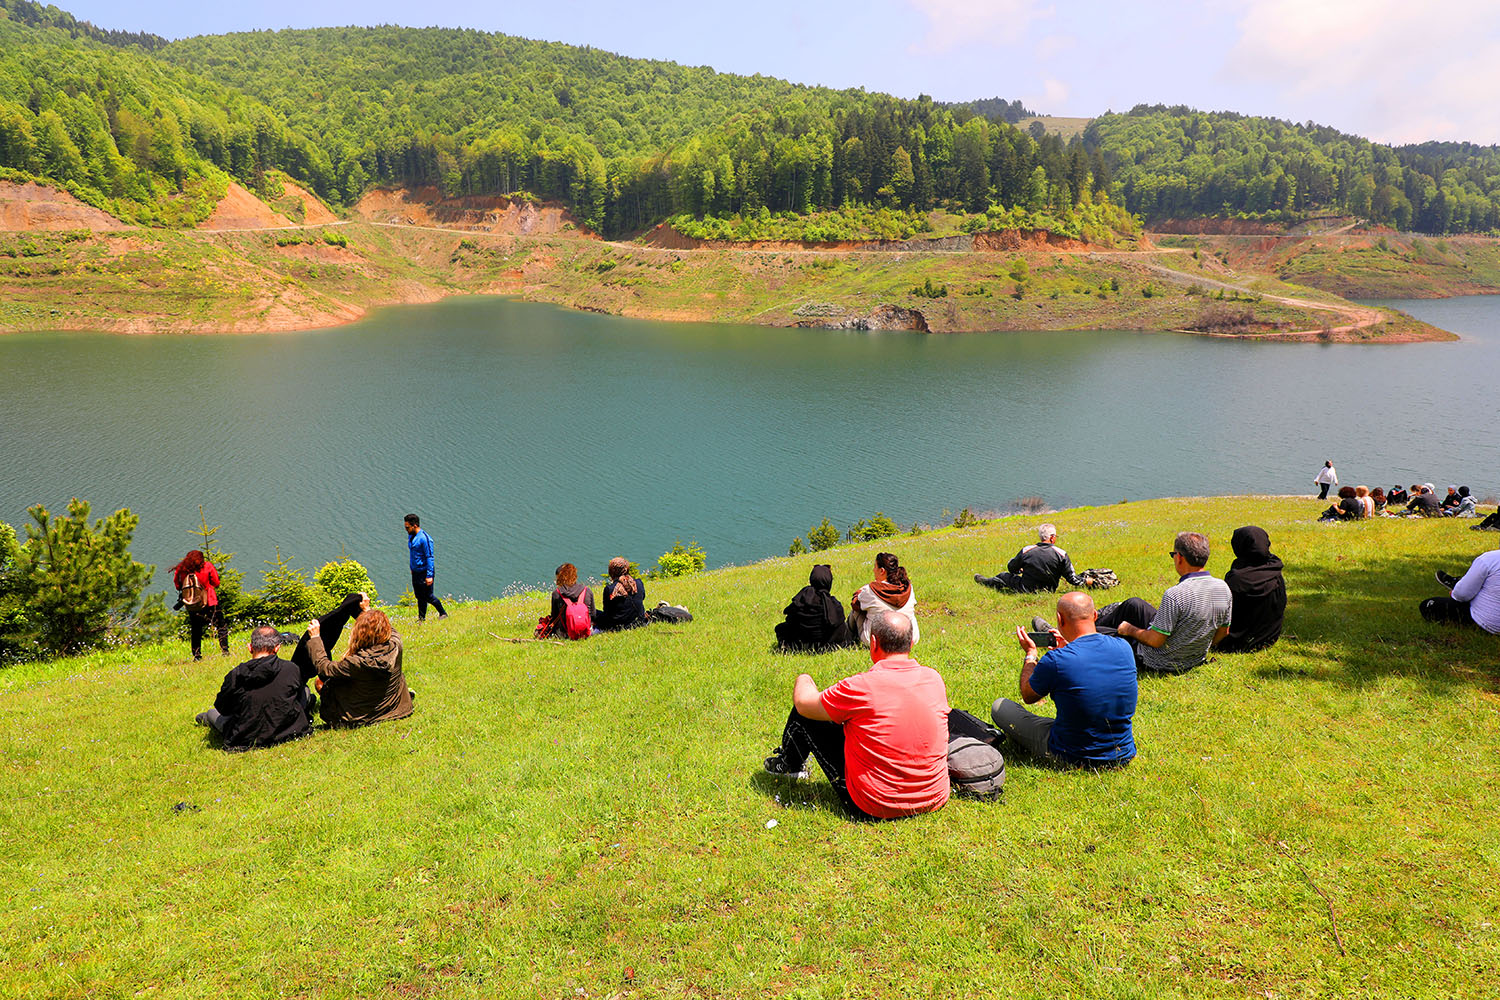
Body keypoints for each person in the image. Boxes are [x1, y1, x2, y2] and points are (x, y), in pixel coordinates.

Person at [763, 611, 950, 820]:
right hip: (934, 796)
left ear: (873, 642)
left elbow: (803, 705)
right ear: (911, 643)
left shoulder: (860, 687)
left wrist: (804, 678)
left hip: (874, 804)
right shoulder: (933, 679)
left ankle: (789, 765)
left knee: (806, 717)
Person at [991, 591, 1136, 768]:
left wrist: (1030, 656)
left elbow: (1028, 695)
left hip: (1072, 753)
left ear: (1060, 619)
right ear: (1095, 615)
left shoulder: (1057, 659)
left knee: (1000, 707)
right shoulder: (1124, 647)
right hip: (1122, 752)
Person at [1093, 531, 1232, 674]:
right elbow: (1223, 631)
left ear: (1179, 558)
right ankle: (1094, 619)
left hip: (1158, 661)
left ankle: (1083, 629)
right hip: (1194, 657)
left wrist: (1129, 629)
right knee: (1134, 604)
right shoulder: (1223, 588)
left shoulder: (1175, 594)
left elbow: (1155, 641)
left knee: (1096, 633)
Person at [195, 625, 313, 750]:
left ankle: (205, 717)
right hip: (289, 728)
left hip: (247, 735)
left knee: (212, 713)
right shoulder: (291, 668)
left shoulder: (236, 675)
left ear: (250, 647)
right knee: (306, 692)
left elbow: (223, 709)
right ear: (277, 647)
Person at [305, 606, 413, 727]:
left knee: (321, 682)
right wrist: (367, 610)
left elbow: (324, 667)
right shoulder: (395, 644)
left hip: (359, 716)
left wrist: (315, 638)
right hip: (395, 708)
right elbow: (388, 630)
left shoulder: (357, 662)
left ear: (360, 633)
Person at [1217, 526, 1286, 653]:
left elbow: (1224, 614)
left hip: (1238, 642)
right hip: (1269, 637)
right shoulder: (1274, 570)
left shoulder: (1237, 579)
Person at [974, 523, 1086, 594]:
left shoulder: (1027, 550)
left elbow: (1011, 568)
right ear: (1052, 538)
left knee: (1003, 576)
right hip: (1049, 591)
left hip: (1025, 588)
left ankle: (985, 582)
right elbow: (1072, 579)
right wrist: (1089, 581)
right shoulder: (1061, 554)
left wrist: (1020, 570)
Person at [776, 564, 855, 651]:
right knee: (843, 628)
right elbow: (839, 624)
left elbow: (790, 619)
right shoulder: (834, 605)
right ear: (829, 582)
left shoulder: (801, 601)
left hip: (801, 643)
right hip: (827, 644)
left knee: (781, 628)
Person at [849, 552, 919, 646]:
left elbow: (855, 604)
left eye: (875, 567)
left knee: (857, 609)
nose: (873, 570)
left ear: (882, 571)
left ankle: (847, 638)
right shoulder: (908, 587)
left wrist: (861, 591)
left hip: (877, 643)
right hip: (909, 640)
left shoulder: (871, 590)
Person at [1423, 548, 1500, 634]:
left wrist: (1455, 594)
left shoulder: (1489, 559)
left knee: (1427, 605)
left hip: (1488, 624)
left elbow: (1462, 596)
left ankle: (1459, 584)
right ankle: (1461, 584)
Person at [172, 549, 230, 660]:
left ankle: (197, 655)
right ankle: (225, 651)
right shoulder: (207, 566)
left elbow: (178, 586)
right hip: (210, 601)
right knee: (220, 625)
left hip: (192, 604)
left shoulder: (181, 569)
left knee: (196, 629)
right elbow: (216, 583)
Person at [404, 514, 448, 621]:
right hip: (416, 572)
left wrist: (429, 575)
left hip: (424, 572)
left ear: (414, 525)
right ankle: (421, 619)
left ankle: (443, 613)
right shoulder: (411, 536)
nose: (406, 529)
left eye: (407, 527)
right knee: (419, 596)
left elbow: (430, 557)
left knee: (428, 596)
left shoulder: (425, 539)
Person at [542, 563, 594, 638]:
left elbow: (554, 616)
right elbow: (593, 615)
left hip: (564, 634)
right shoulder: (587, 590)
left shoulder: (557, 593)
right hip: (585, 632)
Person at [594, 556, 647, 631]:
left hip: (617, 626)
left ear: (611, 571)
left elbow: (607, 612)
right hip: (640, 621)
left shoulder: (609, 589)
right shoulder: (638, 583)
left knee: (591, 612)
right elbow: (642, 597)